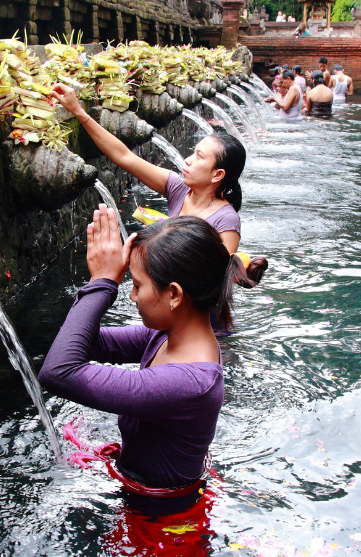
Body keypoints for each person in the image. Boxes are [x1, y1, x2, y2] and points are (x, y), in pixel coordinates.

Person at [39, 209, 245, 515]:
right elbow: (79, 343)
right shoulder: (167, 334)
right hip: (140, 487)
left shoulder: (190, 384)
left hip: (159, 518)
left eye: (137, 285)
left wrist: (103, 283)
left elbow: (59, 371)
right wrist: (99, 283)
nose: (132, 297)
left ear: (174, 295)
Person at [50, 83, 254, 257]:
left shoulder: (225, 220)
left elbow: (218, 282)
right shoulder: (179, 189)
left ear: (217, 174)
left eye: (199, 157)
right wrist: (78, 111)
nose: (188, 161)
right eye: (193, 153)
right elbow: (124, 156)